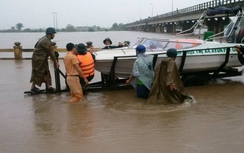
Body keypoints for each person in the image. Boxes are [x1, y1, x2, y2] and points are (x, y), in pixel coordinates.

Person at [30, 27, 60, 93]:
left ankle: (48, 86)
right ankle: (33, 87)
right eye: (54, 34)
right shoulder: (45, 41)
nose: (54, 35)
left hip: (41, 58)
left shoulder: (45, 39)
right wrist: (56, 61)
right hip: (38, 59)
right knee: (38, 72)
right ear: (50, 34)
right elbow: (50, 52)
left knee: (46, 72)